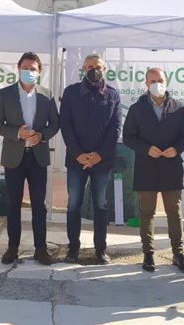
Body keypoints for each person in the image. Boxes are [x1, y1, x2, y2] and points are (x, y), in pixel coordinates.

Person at [0, 52, 60, 265]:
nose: (29, 72)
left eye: (33, 69)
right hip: (14, 157)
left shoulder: (47, 95)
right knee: (13, 204)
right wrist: (17, 133)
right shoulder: (5, 94)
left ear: (40, 72)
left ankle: (41, 248)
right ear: (18, 68)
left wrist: (42, 135)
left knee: (39, 205)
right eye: (25, 68)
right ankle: (13, 248)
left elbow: (54, 124)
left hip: (37, 157)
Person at [123, 67, 184, 273]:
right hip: (146, 167)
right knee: (147, 212)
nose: (156, 84)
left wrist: (176, 149)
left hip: (171, 167)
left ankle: (178, 253)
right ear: (146, 84)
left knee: (174, 212)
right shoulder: (137, 109)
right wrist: (146, 149)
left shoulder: (179, 108)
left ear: (167, 81)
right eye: (152, 81)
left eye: (160, 80)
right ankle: (148, 253)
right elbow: (128, 137)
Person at [60, 54, 121, 264]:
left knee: (100, 206)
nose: (93, 70)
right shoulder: (71, 93)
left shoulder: (112, 95)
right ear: (82, 70)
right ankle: (73, 249)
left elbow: (115, 129)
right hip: (76, 159)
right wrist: (79, 154)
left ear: (104, 69)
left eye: (97, 66)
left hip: (101, 161)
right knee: (73, 205)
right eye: (88, 67)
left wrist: (98, 155)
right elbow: (66, 126)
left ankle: (100, 249)